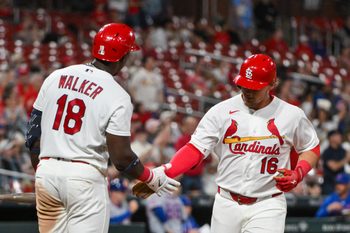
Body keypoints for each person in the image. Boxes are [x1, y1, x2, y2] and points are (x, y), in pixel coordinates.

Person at [24, 23, 180, 233]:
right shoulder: (117, 95)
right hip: (84, 178)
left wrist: (44, 174)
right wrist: (150, 177)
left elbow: (33, 136)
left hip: (47, 171)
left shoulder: (55, 76)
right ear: (124, 57)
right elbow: (122, 157)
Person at [162, 54, 320, 233]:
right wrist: (166, 171)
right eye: (244, 85)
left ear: (273, 84)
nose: (248, 91)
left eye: (255, 88)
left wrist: (298, 173)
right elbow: (195, 148)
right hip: (226, 203)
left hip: (268, 203)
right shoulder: (220, 111)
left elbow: (310, 147)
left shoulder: (292, 115)